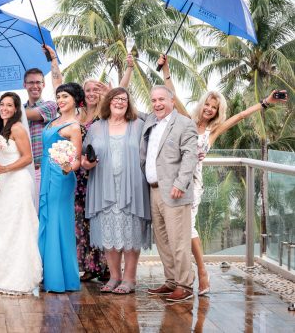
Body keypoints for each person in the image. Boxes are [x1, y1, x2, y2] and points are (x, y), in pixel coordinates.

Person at [157, 54, 289, 295]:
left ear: (217, 111)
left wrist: (266, 102)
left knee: (188, 229)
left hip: (193, 183)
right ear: (202, 105)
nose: (209, 109)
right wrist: (166, 69)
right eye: (207, 104)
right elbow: (172, 96)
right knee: (177, 229)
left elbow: (240, 117)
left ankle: (201, 273)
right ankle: (184, 275)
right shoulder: (186, 120)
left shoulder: (212, 131)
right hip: (175, 178)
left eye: (214, 107)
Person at [81, 87, 151, 294]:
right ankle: (114, 277)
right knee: (108, 233)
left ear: (129, 103)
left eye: (124, 99)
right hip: (103, 185)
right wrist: (87, 164)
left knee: (131, 232)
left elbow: (159, 119)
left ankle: (129, 279)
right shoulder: (96, 127)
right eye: (116, 99)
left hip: (133, 186)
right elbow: (85, 155)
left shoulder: (139, 124)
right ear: (108, 102)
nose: (120, 102)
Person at [74, 62, 133, 283]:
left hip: (101, 175)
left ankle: (108, 268)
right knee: (82, 223)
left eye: (95, 90)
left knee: (103, 219)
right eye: (88, 90)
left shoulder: (106, 115)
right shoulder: (77, 115)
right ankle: (89, 266)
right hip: (80, 175)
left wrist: (128, 69)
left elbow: (121, 92)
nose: (91, 94)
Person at [0, 92, 42, 294]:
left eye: (9, 105)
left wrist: (5, 169)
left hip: (18, 182)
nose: (5, 108)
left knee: (17, 228)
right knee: (2, 227)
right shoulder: (0, 129)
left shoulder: (17, 128)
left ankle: (16, 279)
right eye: (2, 104)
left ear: (16, 109)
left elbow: (27, 158)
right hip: (6, 183)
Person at [141, 85, 198, 302]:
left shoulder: (184, 123)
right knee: (163, 241)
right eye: (154, 100)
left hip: (175, 191)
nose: (157, 104)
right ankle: (171, 280)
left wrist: (181, 184)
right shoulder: (150, 122)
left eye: (161, 99)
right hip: (153, 190)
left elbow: (190, 156)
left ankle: (184, 285)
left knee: (179, 241)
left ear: (172, 100)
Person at [38, 82, 85, 293]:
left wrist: (67, 168)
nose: (60, 100)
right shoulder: (53, 121)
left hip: (61, 176)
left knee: (58, 223)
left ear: (75, 99)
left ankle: (59, 279)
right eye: (58, 97)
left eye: (65, 96)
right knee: (47, 219)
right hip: (46, 173)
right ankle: (47, 273)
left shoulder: (75, 126)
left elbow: (76, 160)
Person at [22, 45, 64, 211]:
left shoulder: (50, 106)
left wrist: (53, 60)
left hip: (44, 170)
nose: (35, 86)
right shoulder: (20, 108)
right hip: (24, 171)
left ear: (43, 84)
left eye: (38, 82)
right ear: (24, 85)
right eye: (31, 83)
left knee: (42, 214)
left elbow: (30, 115)